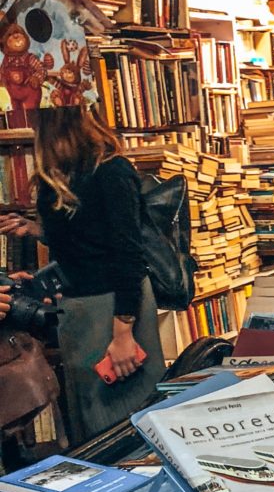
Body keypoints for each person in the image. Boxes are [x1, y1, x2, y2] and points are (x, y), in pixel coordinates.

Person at [0, 106, 163, 445]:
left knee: (127, 418)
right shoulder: (56, 175)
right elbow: (84, 240)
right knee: (91, 419)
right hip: (78, 308)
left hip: (116, 305)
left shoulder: (110, 171)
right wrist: (36, 229)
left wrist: (123, 332)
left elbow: (127, 255)